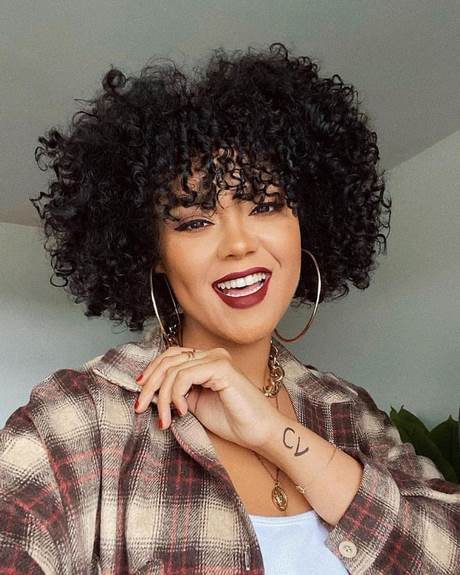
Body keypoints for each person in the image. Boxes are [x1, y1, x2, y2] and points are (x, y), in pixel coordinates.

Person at [0, 42, 458, 574]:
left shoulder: (348, 412)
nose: (239, 245)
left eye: (265, 205)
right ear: (155, 256)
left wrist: (275, 435)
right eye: (195, 221)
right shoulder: (81, 417)